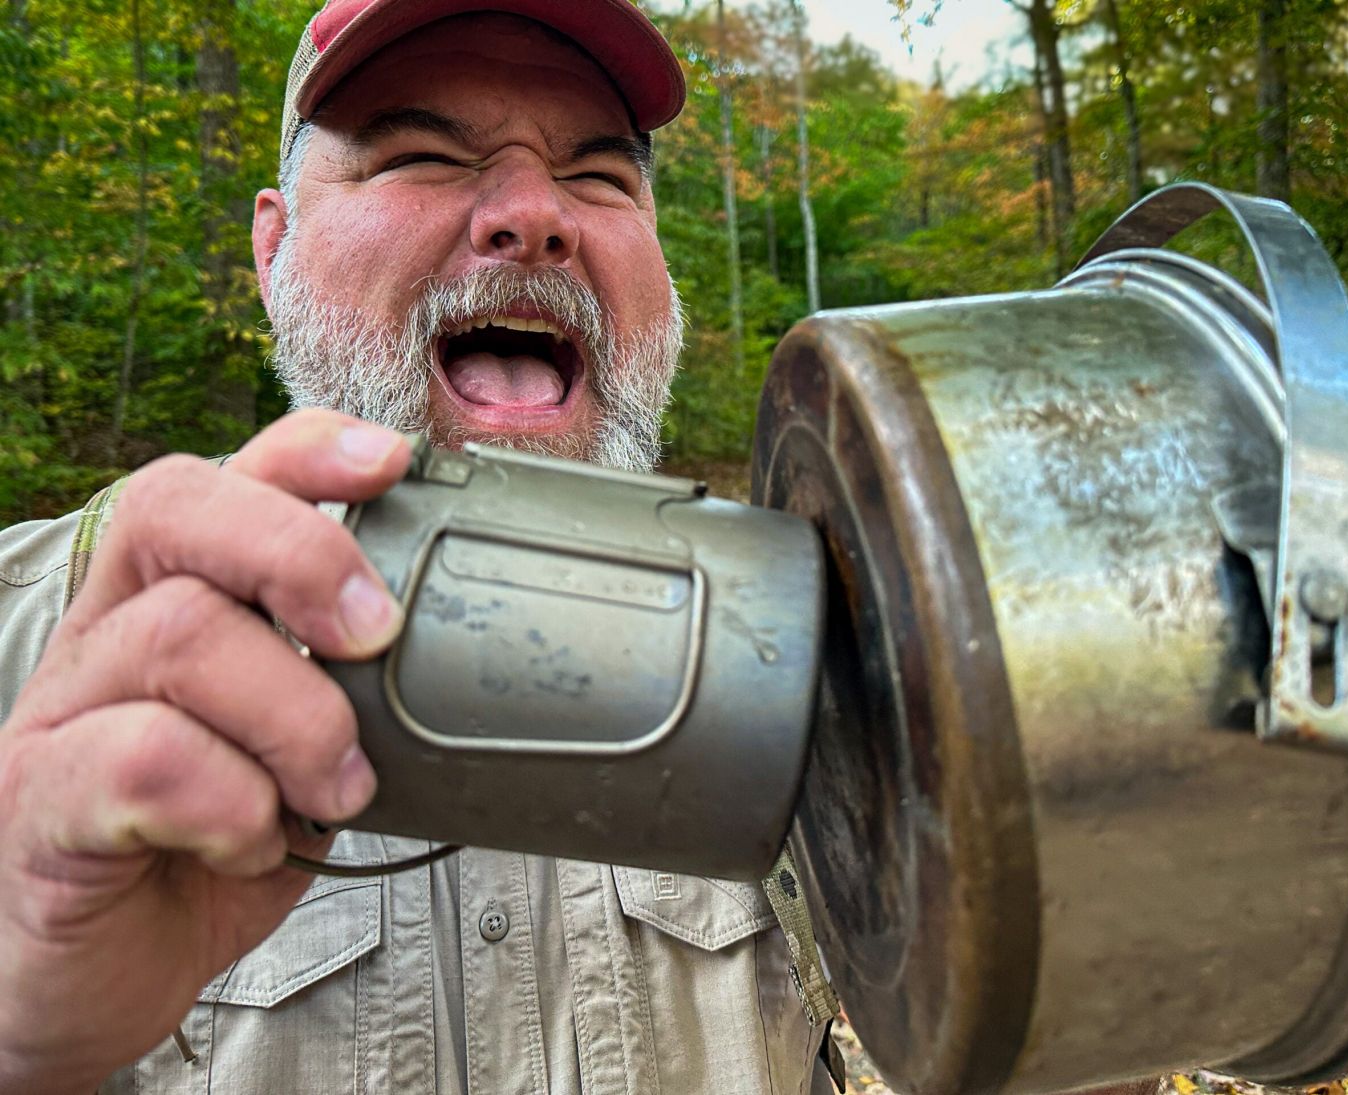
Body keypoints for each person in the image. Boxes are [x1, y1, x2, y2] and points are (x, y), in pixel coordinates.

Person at [0, 2, 831, 1091]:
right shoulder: (28, 642)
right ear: (274, 249)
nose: (534, 215)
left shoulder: (829, 639)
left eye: (597, 176)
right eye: (423, 156)